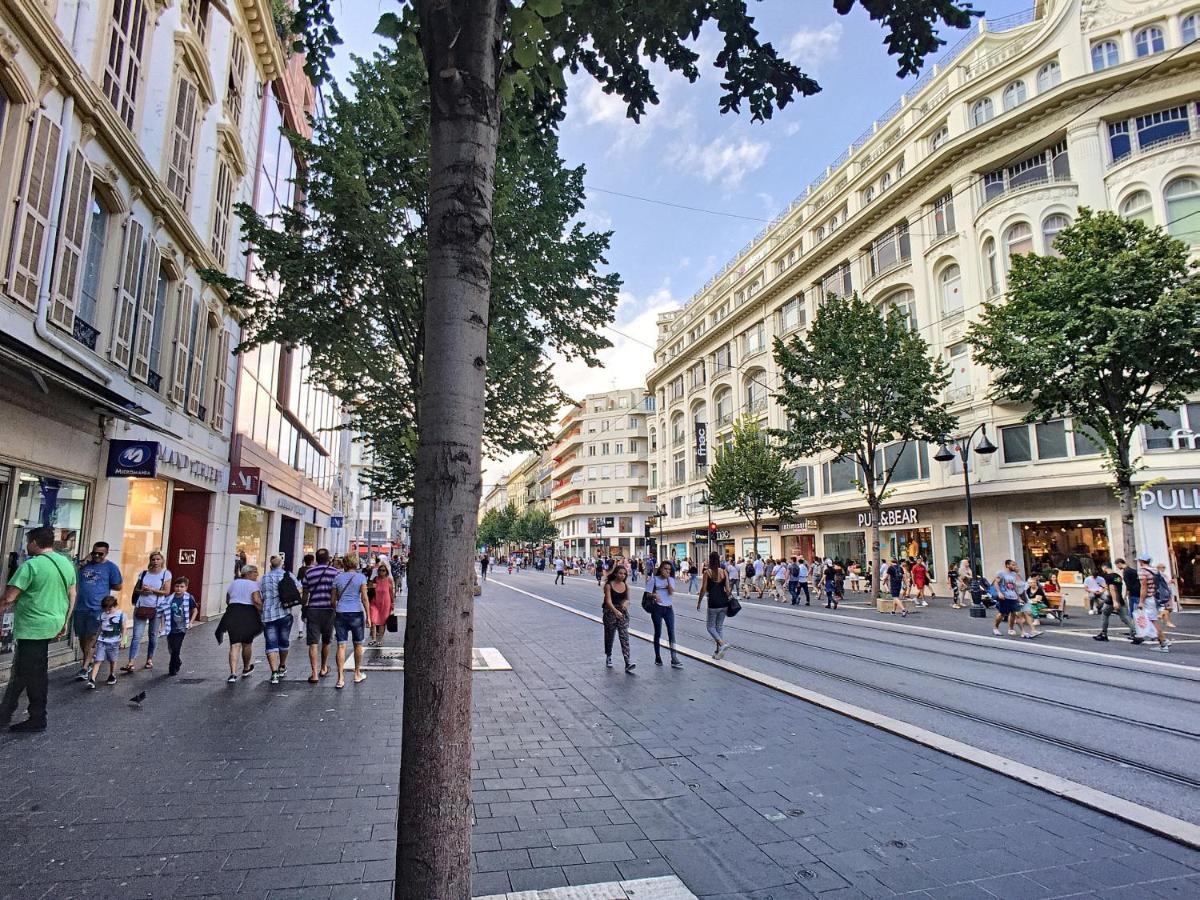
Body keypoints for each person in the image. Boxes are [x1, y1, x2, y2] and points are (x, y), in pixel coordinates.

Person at [0, 527, 76, 732]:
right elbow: (72, 594)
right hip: (51, 624)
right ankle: (21, 715)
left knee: (26, 673)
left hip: (32, 627)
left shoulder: (30, 566)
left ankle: (28, 717)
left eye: (28, 542)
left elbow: (8, 598)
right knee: (33, 672)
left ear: (34, 542)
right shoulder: (65, 563)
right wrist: (65, 621)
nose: (27, 546)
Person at [73, 541, 122, 681]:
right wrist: (84, 560)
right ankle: (89, 660)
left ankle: (84, 667)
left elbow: (118, 586)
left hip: (98, 608)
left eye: (100, 554)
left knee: (91, 637)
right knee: (82, 638)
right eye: (94, 553)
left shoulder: (111, 567)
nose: (97, 556)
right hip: (80, 606)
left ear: (106, 553)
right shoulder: (84, 565)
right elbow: (72, 571)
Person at [123, 551, 172, 672]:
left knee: (153, 635)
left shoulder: (166, 574)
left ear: (162, 561)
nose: (155, 561)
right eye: (153, 559)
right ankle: (131, 661)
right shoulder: (144, 573)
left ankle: (149, 659)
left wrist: (153, 590)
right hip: (141, 606)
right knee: (136, 636)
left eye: (158, 559)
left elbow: (166, 592)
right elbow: (136, 589)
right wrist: (142, 591)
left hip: (156, 608)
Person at [219, 564, 263, 683]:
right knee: (247, 643)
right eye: (255, 572)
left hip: (233, 612)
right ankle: (246, 668)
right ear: (248, 573)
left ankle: (233, 673)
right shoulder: (253, 584)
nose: (257, 575)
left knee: (234, 644)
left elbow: (228, 599)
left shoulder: (234, 583)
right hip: (248, 614)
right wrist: (262, 610)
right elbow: (256, 600)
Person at [302, 549, 339, 683]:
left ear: (316, 559)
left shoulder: (309, 572)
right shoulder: (335, 573)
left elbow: (305, 592)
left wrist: (303, 607)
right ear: (329, 559)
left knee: (313, 642)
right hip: (329, 610)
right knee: (326, 641)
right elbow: (338, 592)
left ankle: (314, 673)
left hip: (313, 609)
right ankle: (323, 667)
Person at [332, 555, 370, 688]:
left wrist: (337, 609)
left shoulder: (337, 578)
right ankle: (357, 673)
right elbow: (365, 598)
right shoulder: (361, 578)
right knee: (358, 645)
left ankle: (340, 678)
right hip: (356, 612)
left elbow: (333, 600)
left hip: (341, 612)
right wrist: (369, 617)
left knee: (341, 645)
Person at [259, 556, 294, 684]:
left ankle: (274, 673)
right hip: (284, 613)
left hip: (268, 615)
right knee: (284, 641)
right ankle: (282, 666)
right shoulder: (287, 575)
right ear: (282, 564)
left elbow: (259, 596)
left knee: (271, 643)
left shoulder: (264, 578)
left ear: (270, 566)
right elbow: (299, 589)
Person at [1095, 561, 1140, 644]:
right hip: (1120, 598)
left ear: (1104, 567)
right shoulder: (1118, 576)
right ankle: (1136, 634)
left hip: (1111, 600)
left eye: (1103, 568)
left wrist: (1115, 601)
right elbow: (1118, 587)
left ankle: (1103, 633)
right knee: (1125, 617)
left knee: (1105, 614)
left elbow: (1112, 588)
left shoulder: (1108, 576)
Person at [697, 551, 731, 659]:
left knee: (710, 627)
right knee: (719, 627)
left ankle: (722, 644)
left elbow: (703, 589)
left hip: (713, 603)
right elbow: (728, 589)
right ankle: (718, 652)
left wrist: (699, 602)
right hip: (724, 603)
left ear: (710, 560)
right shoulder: (724, 572)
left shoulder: (708, 573)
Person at [648, 561, 682, 668]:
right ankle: (657, 656)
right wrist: (654, 595)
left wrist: (668, 579)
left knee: (671, 633)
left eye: (669, 569)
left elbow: (671, 592)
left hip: (668, 609)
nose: (667, 571)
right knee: (657, 632)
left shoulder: (671, 580)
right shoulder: (653, 579)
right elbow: (647, 594)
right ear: (661, 569)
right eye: (665, 569)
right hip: (657, 608)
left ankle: (674, 657)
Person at [163, 576, 199, 677]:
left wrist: (191, 622)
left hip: (181, 627)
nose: (179, 589)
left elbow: (195, 610)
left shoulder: (188, 598)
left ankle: (172, 668)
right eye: (177, 586)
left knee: (176, 648)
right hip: (170, 626)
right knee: (171, 647)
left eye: (182, 586)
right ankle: (177, 661)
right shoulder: (170, 598)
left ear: (186, 587)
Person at [602, 565, 635, 672]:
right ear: (615, 573)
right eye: (620, 573)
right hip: (610, 612)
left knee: (624, 636)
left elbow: (627, 599)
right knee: (610, 635)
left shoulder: (625, 585)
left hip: (622, 613)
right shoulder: (609, 585)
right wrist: (615, 611)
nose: (622, 575)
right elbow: (608, 601)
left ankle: (627, 661)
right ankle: (609, 656)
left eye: (624, 574)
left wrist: (625, 604)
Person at [87, 595, 124, 688]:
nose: (107, 611)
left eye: (109, 609)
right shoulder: (102, 615)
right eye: (105, 609)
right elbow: (100, 628)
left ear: (115, 605)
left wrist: (123, 640)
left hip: (114, 641)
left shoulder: (121, 614)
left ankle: (112, 675)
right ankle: (92, 679)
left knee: (112, 659)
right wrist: (94, 641)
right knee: (98, 660)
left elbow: (124, 628)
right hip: (102, 641)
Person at [1137, 553, 1171, 653]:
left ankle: (1164, 643)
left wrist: (1141, 602)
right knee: (1152, 619)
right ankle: (1162, 640)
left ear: (1141, 561)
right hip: (1156, 597)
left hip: (1149, 598)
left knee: (1153, 621)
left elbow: (1143, 587)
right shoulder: (1155, 570)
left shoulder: (1142, 571)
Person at [992, 559, 1023, 636]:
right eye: (1012, 565)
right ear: (1007, 565)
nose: (1014, 566)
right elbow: (996, 583)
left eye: (1015, 565)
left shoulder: (1014, 574)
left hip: (1013, 596)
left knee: (1013, 613)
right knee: (1002, 613)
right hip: (1004, 596)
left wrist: (1018, 597)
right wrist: (999, 593)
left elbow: (1015, 586)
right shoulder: (1001, 573)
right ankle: (995, 628)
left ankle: (1011, 629)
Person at [369, 560, 393, 646]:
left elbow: (391, 593)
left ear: (386, 571)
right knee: (373, 621)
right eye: (380, 570)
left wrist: (392, 603)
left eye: (383, 570)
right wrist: (371, 584)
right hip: (375, 602)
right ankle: (373, 639)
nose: (381, 572)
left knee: (383, 622)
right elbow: (370, 589)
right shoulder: (375, 579)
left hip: (385, 603)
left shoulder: (389, 580)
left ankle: (380, 640)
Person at [1156, 563, 1178, 630]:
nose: (1164, 569)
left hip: (1162, 593)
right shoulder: (1162, 575)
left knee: (1166, 608)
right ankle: (1161, 615)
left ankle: (1168, 622)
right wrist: (1172, 581)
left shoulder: (1157, 575)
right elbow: (1166, 583)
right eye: (1163, 567)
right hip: (1166, 593)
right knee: (1169, 608)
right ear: (1160, 568)